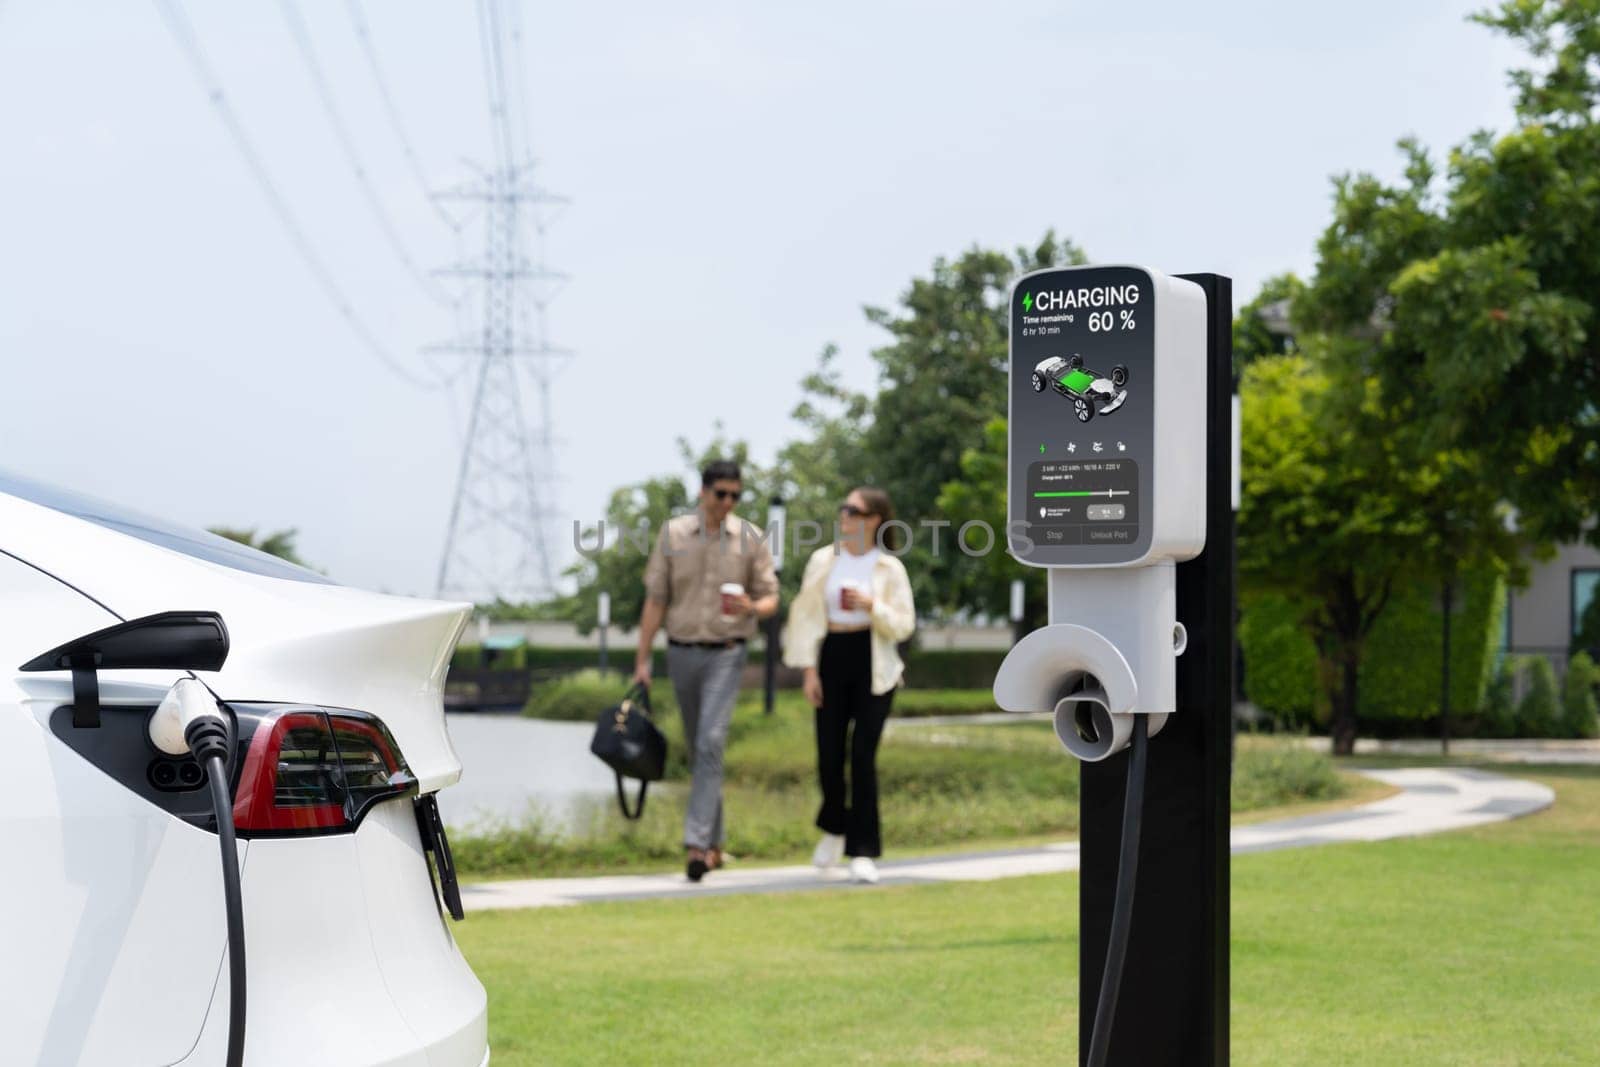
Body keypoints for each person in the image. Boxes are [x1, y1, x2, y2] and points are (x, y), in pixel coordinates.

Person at [635, 460, 778, 882]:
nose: (728, 502)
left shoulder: (751, 538)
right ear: (703, 492)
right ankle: (714, 845)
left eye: (736, 495)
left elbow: (771, 597)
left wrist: (752, 607)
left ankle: (696, 844)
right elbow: (656, 600)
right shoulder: (673, 535)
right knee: (700, 747)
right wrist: (641, 660)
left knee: (711, 740)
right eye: (721, 494)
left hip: (727, 653)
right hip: (680, 653)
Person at [782, 486, 915, 884]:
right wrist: (808, 670)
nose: (844, 516)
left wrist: (872, 606)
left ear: (874, 518)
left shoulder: (889, 569)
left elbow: (904, 625)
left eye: (853, 510)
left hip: (874, 662)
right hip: (832, 656)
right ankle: (834, 827)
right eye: (843, 509)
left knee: (862, 757)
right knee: (828, 754)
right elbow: (804, 618)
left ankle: (862, 850)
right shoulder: (823, 560)